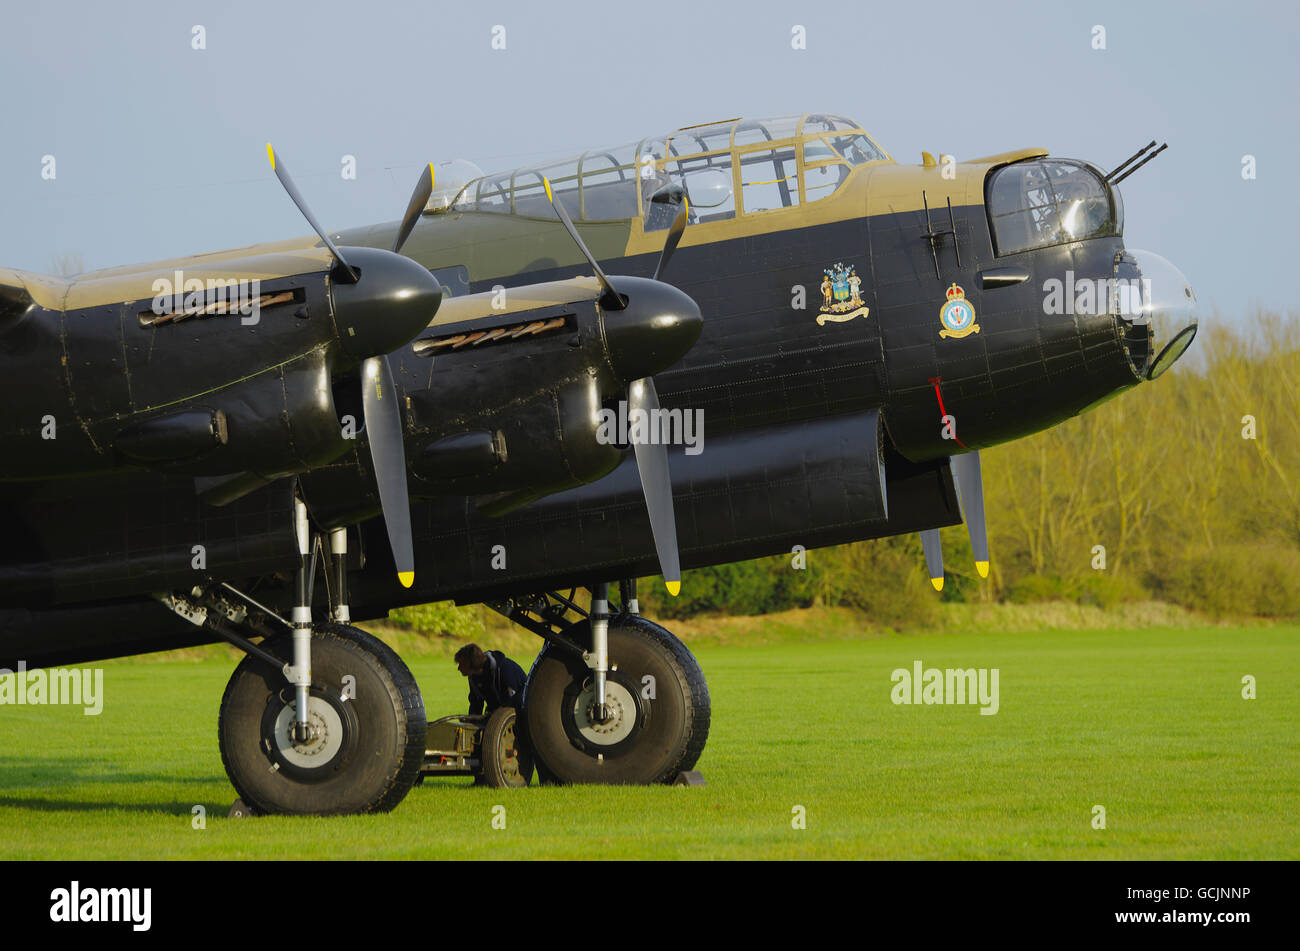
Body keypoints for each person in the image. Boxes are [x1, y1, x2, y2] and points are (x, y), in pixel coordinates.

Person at [455, 643, 527, 716]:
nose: (459, 668)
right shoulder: (473, 676)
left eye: (461, 664)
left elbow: (512, 704)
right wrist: (471, 722)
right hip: (498, 712)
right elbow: (476, 703)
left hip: (522, 710)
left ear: (471, 663)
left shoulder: (504, 669)